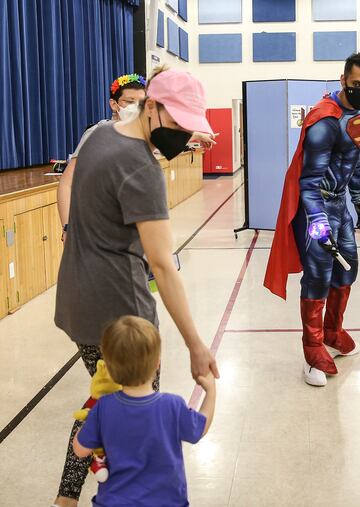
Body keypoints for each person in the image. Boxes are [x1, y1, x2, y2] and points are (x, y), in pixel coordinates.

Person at [52, 66, 219, 507]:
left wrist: (185, 135)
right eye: (179, 124)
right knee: (132, 410)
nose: (183, 136)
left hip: (77, 300)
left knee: (103, 401)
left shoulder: (98, 136)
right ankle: (133, 493)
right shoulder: (142, 171)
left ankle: (68, 496)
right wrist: (196, 345)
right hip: (121, 310)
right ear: (152, 107)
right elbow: (162, 266)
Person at [264, 51, 360, 387]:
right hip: (316, 207)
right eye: (356, 83)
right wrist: (318, 222)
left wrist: (359, 201)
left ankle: (332, 331)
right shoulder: (323, 120)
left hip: (340, 205)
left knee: (347, 268)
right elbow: (308, 183)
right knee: (318, 275)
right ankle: (312, 348)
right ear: (343, 80)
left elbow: (353, 165)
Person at [73, 316, 216, 506]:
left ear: (108, 368)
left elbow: (80, 450)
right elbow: (201, 427)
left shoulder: (104, 407)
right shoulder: (172, 405)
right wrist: (211, 393)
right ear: (157, 363)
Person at [57, 74, 217, 243]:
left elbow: (167, 133)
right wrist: (67, 227)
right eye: (129, 101)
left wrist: (198, 134)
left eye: (140, 102)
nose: (135, 107)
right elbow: (67, 183)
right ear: (114, 104)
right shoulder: (97, 133)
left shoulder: (142, 132)